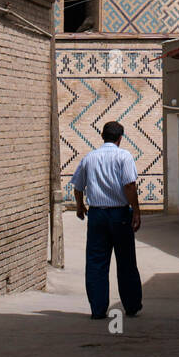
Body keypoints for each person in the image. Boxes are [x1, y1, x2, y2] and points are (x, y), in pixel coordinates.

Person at [72, 121, 143, 320]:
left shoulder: (89, 158)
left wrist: (80, 206)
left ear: (102, 136)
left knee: (96, 262)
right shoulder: (124, 156)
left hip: (96, 215)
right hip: (120, 215)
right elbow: (129, 186)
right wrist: (136, 211)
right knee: (126, 261)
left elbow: (77, 186)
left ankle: (97, 308)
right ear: (120, 138)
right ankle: (131, 305)